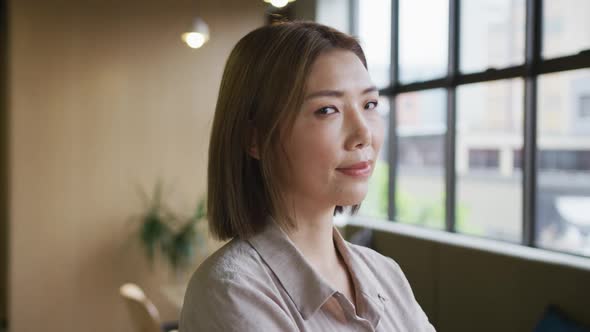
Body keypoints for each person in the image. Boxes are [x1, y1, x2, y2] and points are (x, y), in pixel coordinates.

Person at [179, 21, 436, 332]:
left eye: (369, 104)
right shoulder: (232, 291)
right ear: (255, 138)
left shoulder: (385, 274)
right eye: (327, 110)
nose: (364, 133)